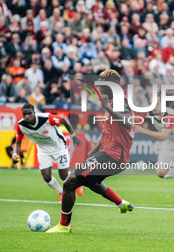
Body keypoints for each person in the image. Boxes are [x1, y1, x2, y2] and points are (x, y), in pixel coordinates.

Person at [46, 69, 134, 233]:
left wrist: (107, 107)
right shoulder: (114, 102)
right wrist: (92, 152)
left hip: (113, 157)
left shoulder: (120, 101)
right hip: (110, 155)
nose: (98, 85)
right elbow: (108, 132)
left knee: (70, 182)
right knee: (91, 181)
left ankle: (64, 226)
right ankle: (121, 204)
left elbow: (128, 123)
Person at [12, 103, 84, 203]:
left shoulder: (47, 118)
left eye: (29, 113)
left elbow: (63, 120)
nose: (27, 116)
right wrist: (15, 154)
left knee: (63, 176)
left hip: (59, 147)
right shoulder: (21, 126)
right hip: (43, 150)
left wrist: (73, 136)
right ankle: (61, 193)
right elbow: (18, 142)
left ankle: (77, 182)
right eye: (24, 114)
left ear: (34, 113)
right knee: (46, 177)